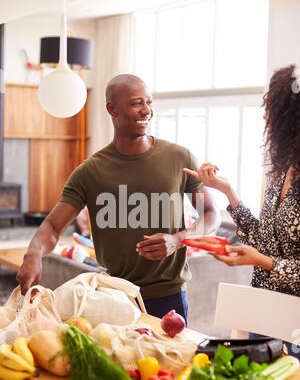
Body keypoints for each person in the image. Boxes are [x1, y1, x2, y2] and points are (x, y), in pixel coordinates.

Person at [17, 74, 220, 321]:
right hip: (113, 296)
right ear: (111, 108)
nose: (147, 110)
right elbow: (52, 226)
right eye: (137, 103)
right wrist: (33, 255)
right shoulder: (90, 172)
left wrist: (178, 239)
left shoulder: (180, 159)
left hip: (168, 295)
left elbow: (210, 213)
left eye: (149, 102)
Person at [184, 65, 300, 353]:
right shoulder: (282, 170)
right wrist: (228, 191)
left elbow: (265, 255)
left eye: (270, 106)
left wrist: (263, 262)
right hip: (266, 313)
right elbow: (264, 240)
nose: (264, 114)